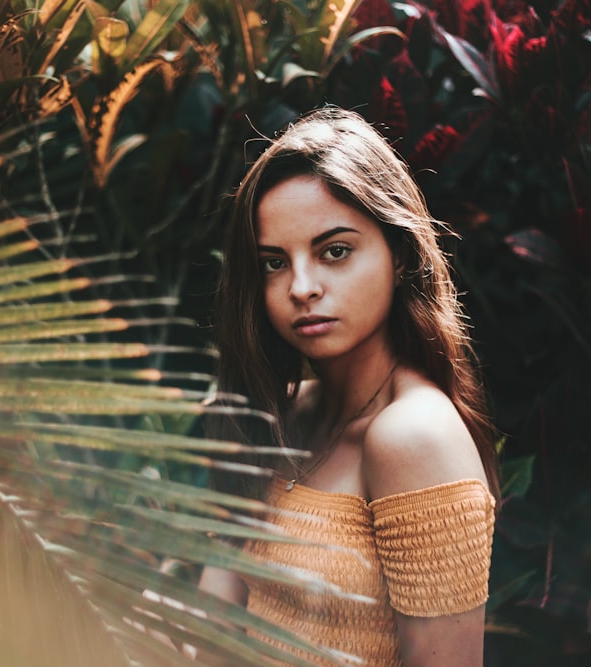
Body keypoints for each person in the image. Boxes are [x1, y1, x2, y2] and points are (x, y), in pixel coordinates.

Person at [201, 107, 500, 667]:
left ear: (399, 252)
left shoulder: (415, 437)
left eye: (334, 251)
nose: (302, 287)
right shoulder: (284, 412)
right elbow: (217, 627)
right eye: (273, 263)